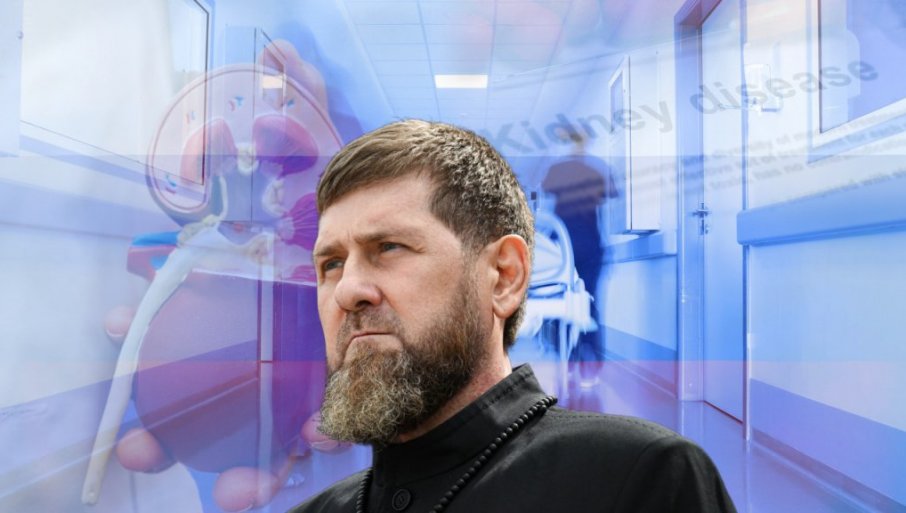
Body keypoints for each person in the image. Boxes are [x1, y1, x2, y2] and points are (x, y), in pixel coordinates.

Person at [289, 120, 737, 513]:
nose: (347, 290)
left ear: (504, 277)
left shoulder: (641, 479)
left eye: (389, 247)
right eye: (331, 264)